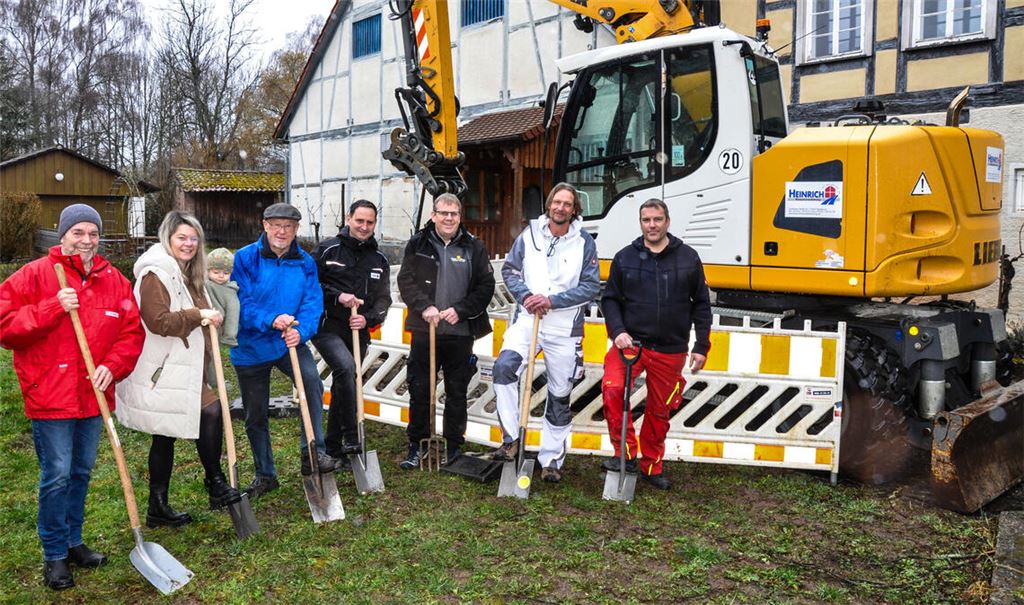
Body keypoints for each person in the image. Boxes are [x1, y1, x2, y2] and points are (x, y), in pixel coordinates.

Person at [0, 204, 144, 590]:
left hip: (93, 395)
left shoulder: (114, 280)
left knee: (80, 472)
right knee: (57, 475)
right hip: (50, 393)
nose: (86, 240)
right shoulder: (34, 275)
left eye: (92, 233)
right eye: (77, 232)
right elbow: (6, 328)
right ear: (62, 234)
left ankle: (73, 541)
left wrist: (113, 366)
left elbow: (132, 332)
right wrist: (53, 307)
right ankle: (54, 555)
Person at [115, 211, 243, 527]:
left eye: (193, 238)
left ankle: (164, 504)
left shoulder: (188, 273)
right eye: (181, 237)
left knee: (169, 433)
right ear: (167, 239)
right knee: (199, 418)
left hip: (184, 366)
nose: (188, 244)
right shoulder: (156, 274)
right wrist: (198, 315)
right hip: (163, 368)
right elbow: (158, 321)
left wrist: (211, 318)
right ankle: (211, 484)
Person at [491, 183, 600, 483]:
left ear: (574, 210)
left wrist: (552, 301)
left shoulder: (584, 242)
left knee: (559, 394)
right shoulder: (530, 235)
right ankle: (511, 439)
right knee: (504, 369)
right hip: (528, 321)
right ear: (549, 205)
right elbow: (510, 270)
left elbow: (590, 286)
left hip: (564, 329)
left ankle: (551, 459)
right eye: (557, 202)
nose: (560, 208)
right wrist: (527, 296)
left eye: (567, 204)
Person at [600, 199, 711, 490]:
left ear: (667, 222)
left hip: (670, 349)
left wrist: (701, 345)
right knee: (613, 390)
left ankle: (652, 465)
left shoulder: (688, 258)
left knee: (659, 410)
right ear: (640, 223)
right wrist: (617, 331)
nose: (652, 225)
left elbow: (701, 304)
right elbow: (609, 300)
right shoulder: (625, 257)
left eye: (657, 219)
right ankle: (624, 455)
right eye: (646, 220)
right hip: (631, 345)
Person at [232, 202, 336, 500]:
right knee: (255, 414)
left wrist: (301, 332)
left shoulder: (304, 262)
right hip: (251, 346)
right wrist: (270, 319)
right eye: (276, 225)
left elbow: (313, 303)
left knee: (312, 383)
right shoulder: (245, 258)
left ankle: (312, 453)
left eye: (288, 226)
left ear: (296, 229)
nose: (282, 231)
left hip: (288, 342)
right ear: (265, 225)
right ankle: (265, 474)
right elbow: (240, 302)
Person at [396, 193, 496, 468]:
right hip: (424, 330)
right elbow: (406, 280)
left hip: (460, 333)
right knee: (420, 389)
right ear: (434, 215)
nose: (449, 218)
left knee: (456, 391)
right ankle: (417, 444)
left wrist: (460, 310)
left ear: (460, 217)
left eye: (454, 214)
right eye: (444, 213)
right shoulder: (418, 243)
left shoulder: (474, 246)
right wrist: (424, 306)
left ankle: (453, 446)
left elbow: (486, 287)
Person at [312, 200, 391, 466]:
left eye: (370, 222)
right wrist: (338, 296)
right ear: (349, 218)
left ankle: (333, 449)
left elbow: (384, 300)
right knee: (346, 369)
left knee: (344, 381)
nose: (364, 227)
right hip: (328, 326)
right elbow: (310, 286)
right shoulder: (327, 250)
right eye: (360, 221)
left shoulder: (379, 259)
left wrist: (368, 319)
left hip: (358, 331)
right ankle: (351, 436)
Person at [206, 247, 239, 348]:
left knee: (211, 351)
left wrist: (229, 336)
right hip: (198, 323)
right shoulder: (202, 283)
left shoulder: (230, 291)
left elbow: (233, 313)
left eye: (226, 273)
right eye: (216, 272)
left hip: (215, 327)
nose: (221, 276)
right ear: (207, 270)